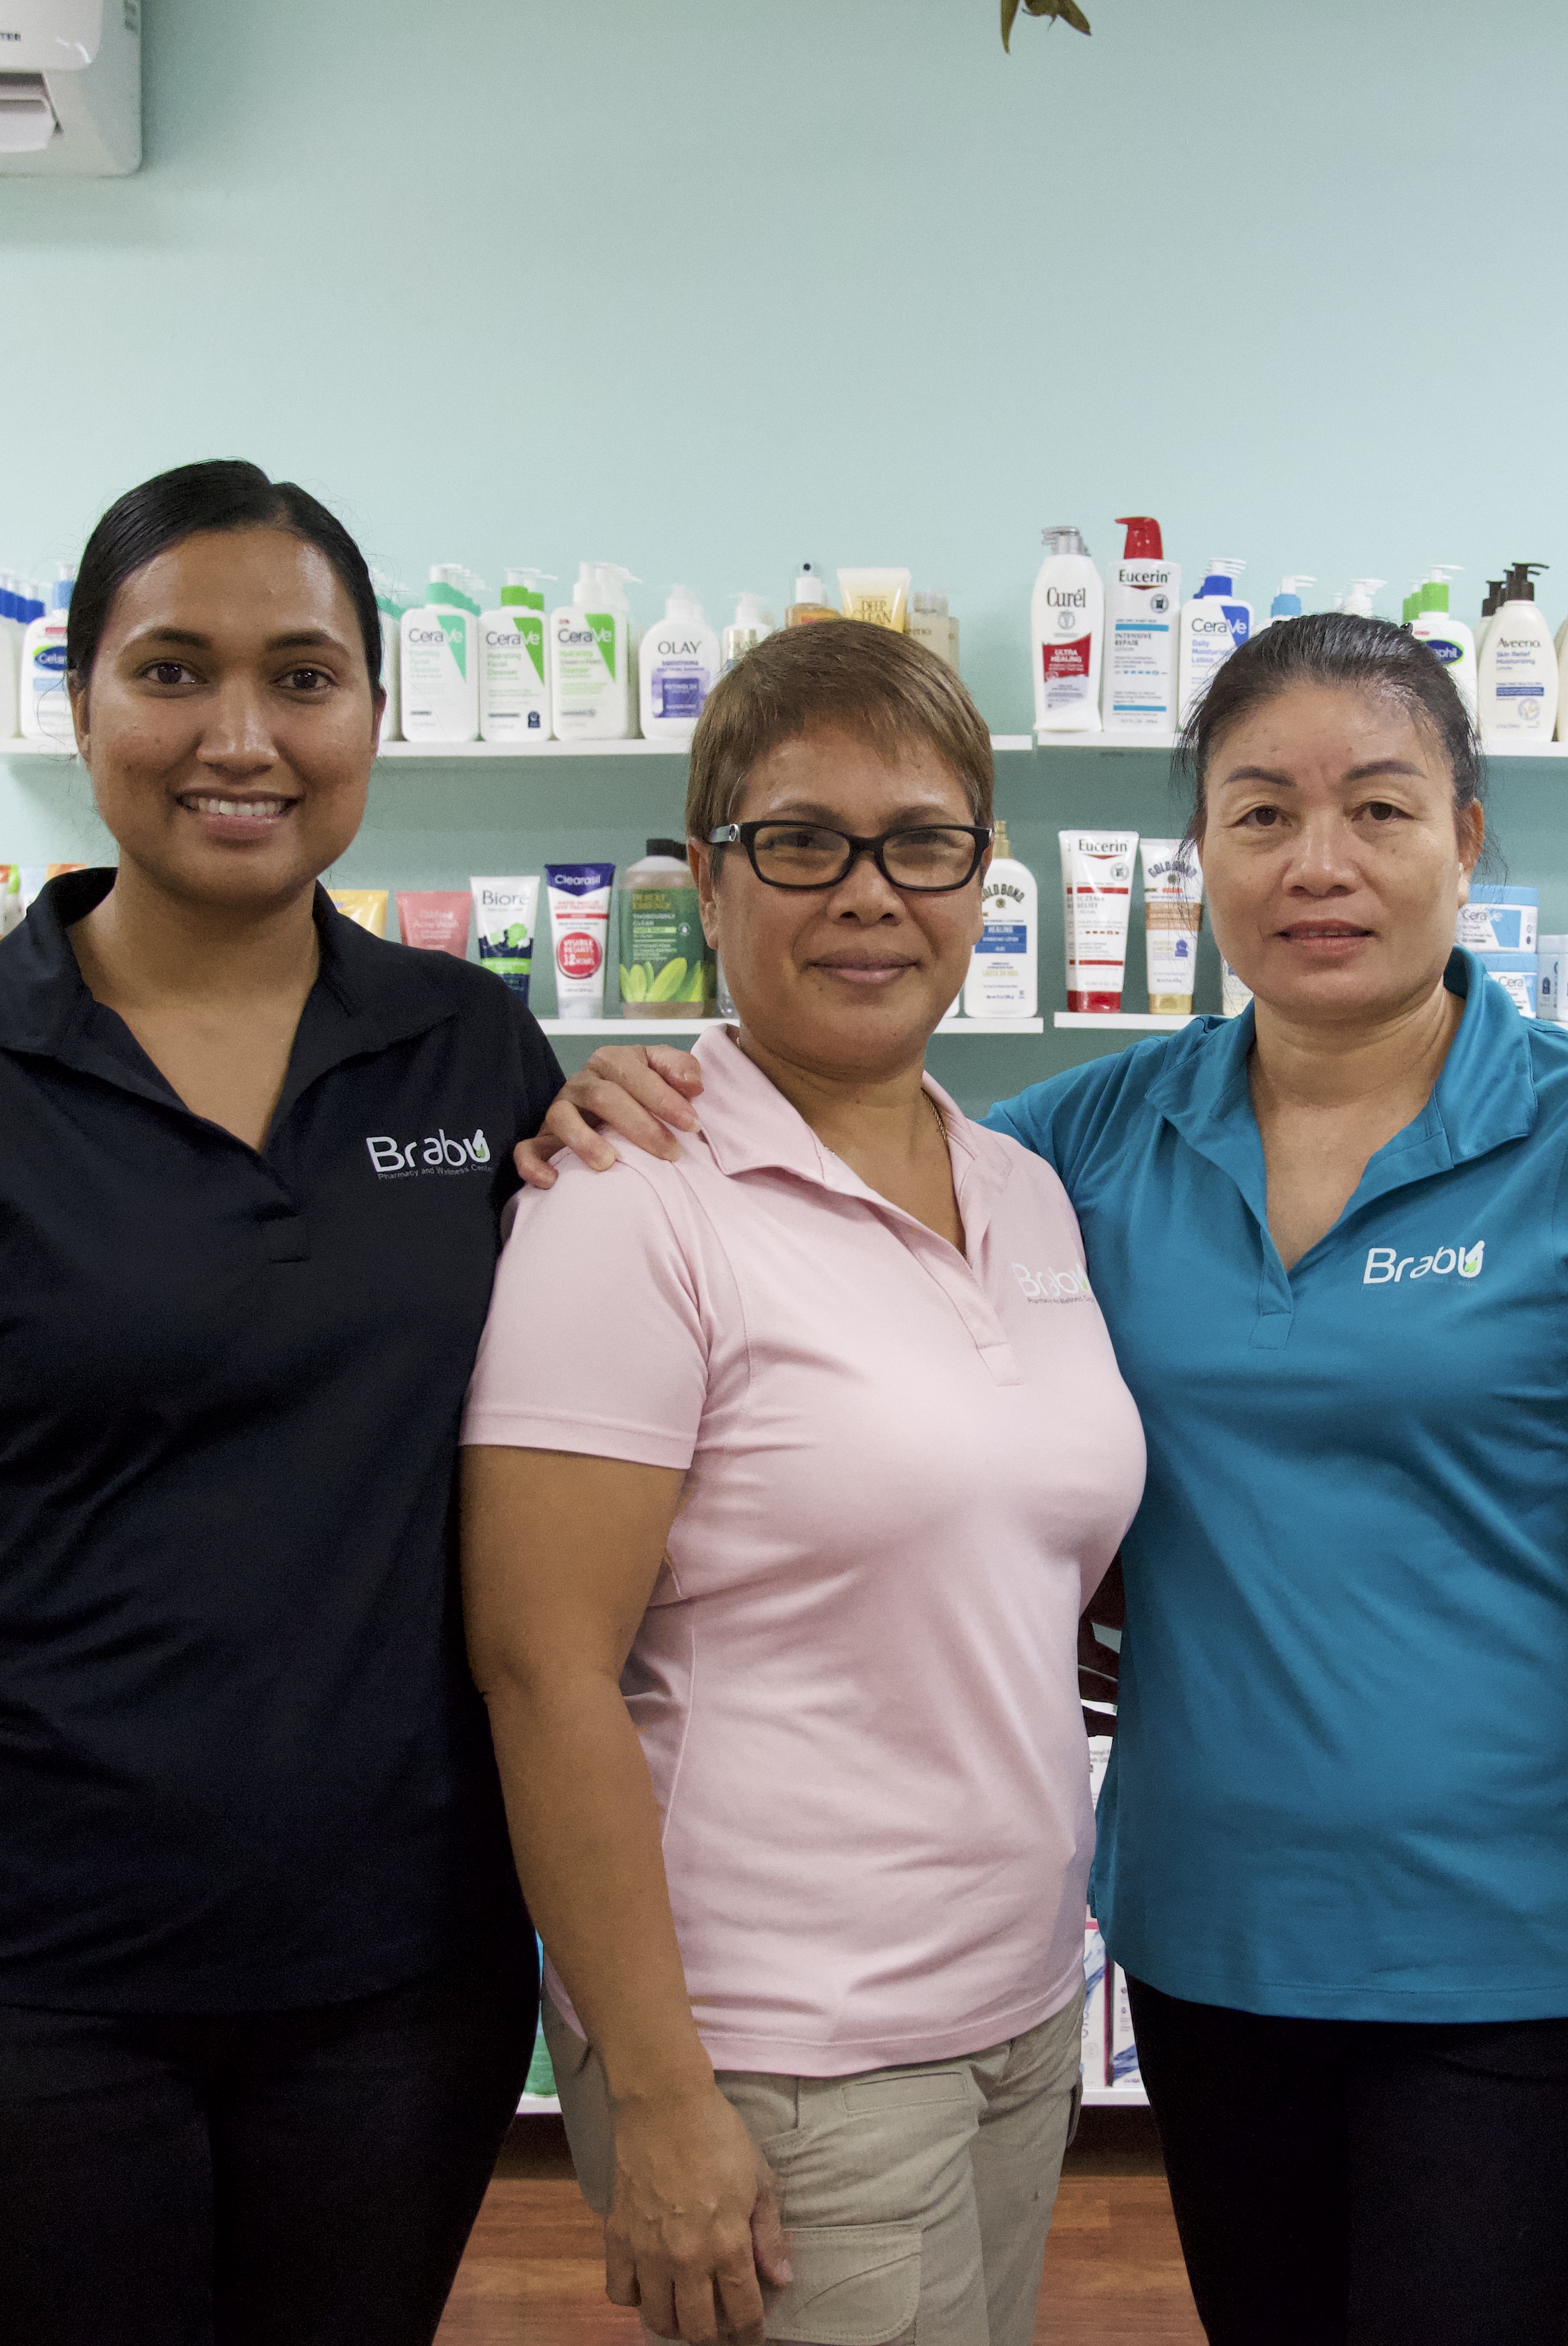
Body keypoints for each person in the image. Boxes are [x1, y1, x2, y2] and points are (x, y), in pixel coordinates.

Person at [532, 612, 1568, 2346]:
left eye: (1380, 809)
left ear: (1467, 837)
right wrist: (634, 1095)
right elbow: (852, 1195)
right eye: (1260, 814)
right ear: (1200, 858)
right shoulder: (1077, 1147)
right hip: (1205, 1925)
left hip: (1515, 1938)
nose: (1318, 863)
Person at [0, 460, 562, 2346]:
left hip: (398, 1974)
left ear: (374, 713)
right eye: (173, 672)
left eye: (303, 677)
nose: (239, 737)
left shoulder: (474, 1049)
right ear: (81, 702)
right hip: (10, 1975)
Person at [458, 620, 1147, 2346]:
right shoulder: (632, 1202)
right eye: (800, 844)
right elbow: (540, 1670)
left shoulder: (1022, 1188)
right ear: (707, 879)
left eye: (922, 845)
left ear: (982, 878)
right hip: (775, 2048)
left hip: (1014, 2003)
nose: (868, 896)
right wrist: (659, 2089)